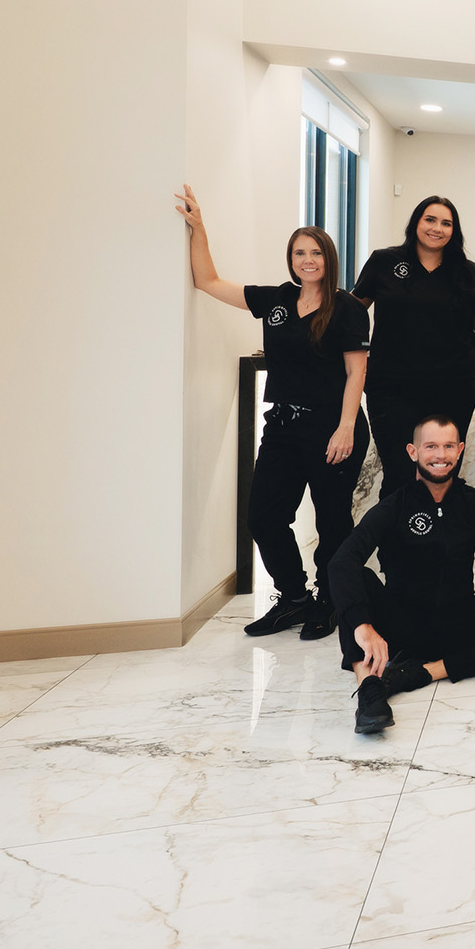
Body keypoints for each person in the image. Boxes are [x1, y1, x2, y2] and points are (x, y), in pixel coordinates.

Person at [176, 186, 370, 640]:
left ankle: (330, 601)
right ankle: (294, 598)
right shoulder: (276, 300)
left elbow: (356, 373)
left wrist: (345, 428)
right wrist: (199, 227)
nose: (308, 260)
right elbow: (208, 281)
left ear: (329, 258)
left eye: (316, 253)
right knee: (263, 516)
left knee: (332, 520)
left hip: (331, 428)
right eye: (300, 252)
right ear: (291, 258)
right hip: (282, 427)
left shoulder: (347, 309)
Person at [328, 416, 475, 734]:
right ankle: (370, 688)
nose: (440, 455)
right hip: (401, 626)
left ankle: (421, 673)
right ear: (413, 452)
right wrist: (363, 627)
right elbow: (342, 562)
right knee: (354, 577)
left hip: (459, 625)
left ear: (459, 451)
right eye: (431, 446)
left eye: (447, 446)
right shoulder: (395, 505)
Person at [353, 196, 475, 497]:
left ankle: (440, 544)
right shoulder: (385, 261)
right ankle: (396, 544)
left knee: (442, 474)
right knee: (400, 474)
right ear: (416, 222)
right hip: (392, 389)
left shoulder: (466, 271)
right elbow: (353, 309)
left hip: (452, 387)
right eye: (430, 219)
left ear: (454, 231)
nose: (437, 228)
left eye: (446, 223)